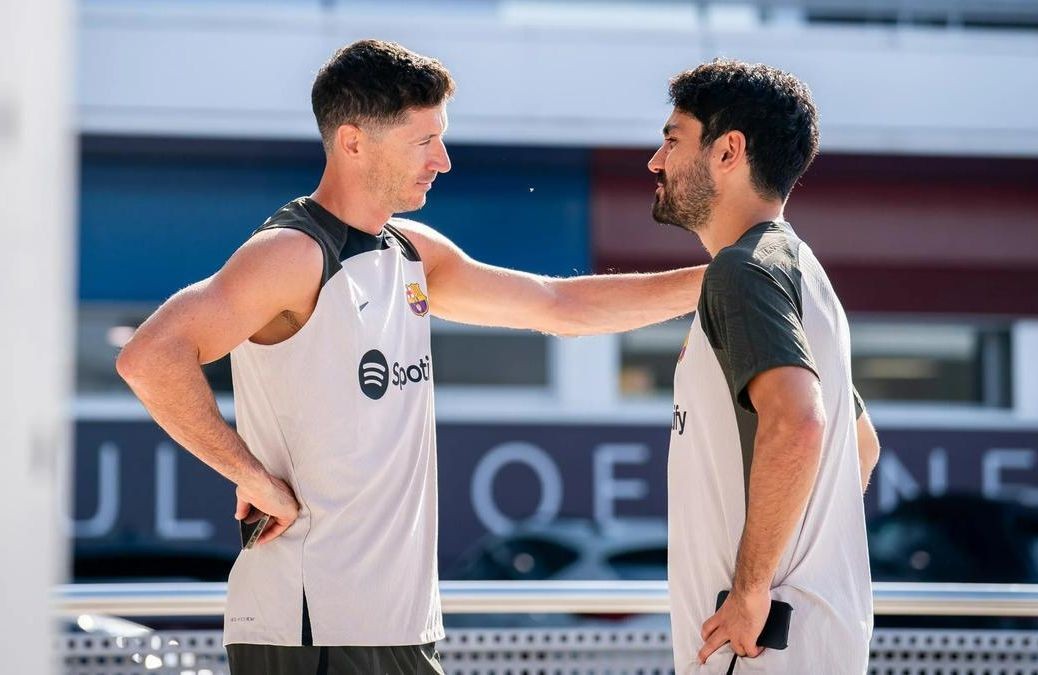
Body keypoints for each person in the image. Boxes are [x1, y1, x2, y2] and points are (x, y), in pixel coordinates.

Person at [116, 39, 706, 674]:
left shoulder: (409, 252)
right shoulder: (292, 253)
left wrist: (724, 276)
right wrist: (252, 476)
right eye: (424, 140)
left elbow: (558, 304)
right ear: (353, 142)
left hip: (399, 621)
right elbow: (150, 356)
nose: (442, 160)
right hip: (313, 626)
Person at [649, 59, 881, 674]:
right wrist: (807, 555)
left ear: (728, 151)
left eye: (673, 140)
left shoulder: (742, 271)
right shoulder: (800, 270)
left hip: (755, 647)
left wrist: (753, 589)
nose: (655, 161)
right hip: (803, 642)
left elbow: (799, 424)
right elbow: (860, 445)